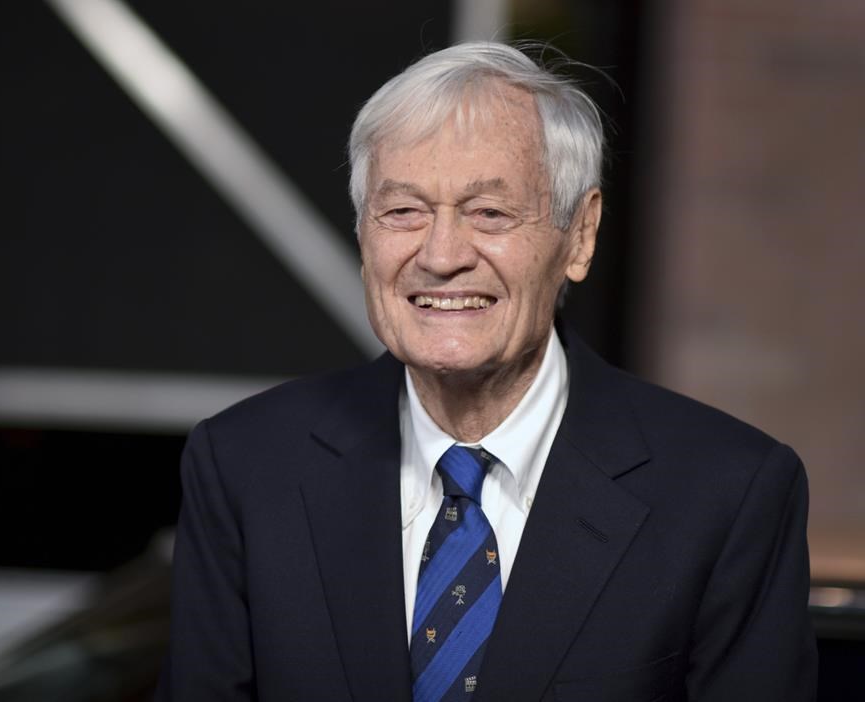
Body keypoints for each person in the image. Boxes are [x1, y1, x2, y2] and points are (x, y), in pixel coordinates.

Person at [157, 41, 817, 701]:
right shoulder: (247, 465)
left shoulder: (725, 493)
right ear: (363, 235)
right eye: (403, 211)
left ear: (580, 236)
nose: (442, 256)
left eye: (490, 213)